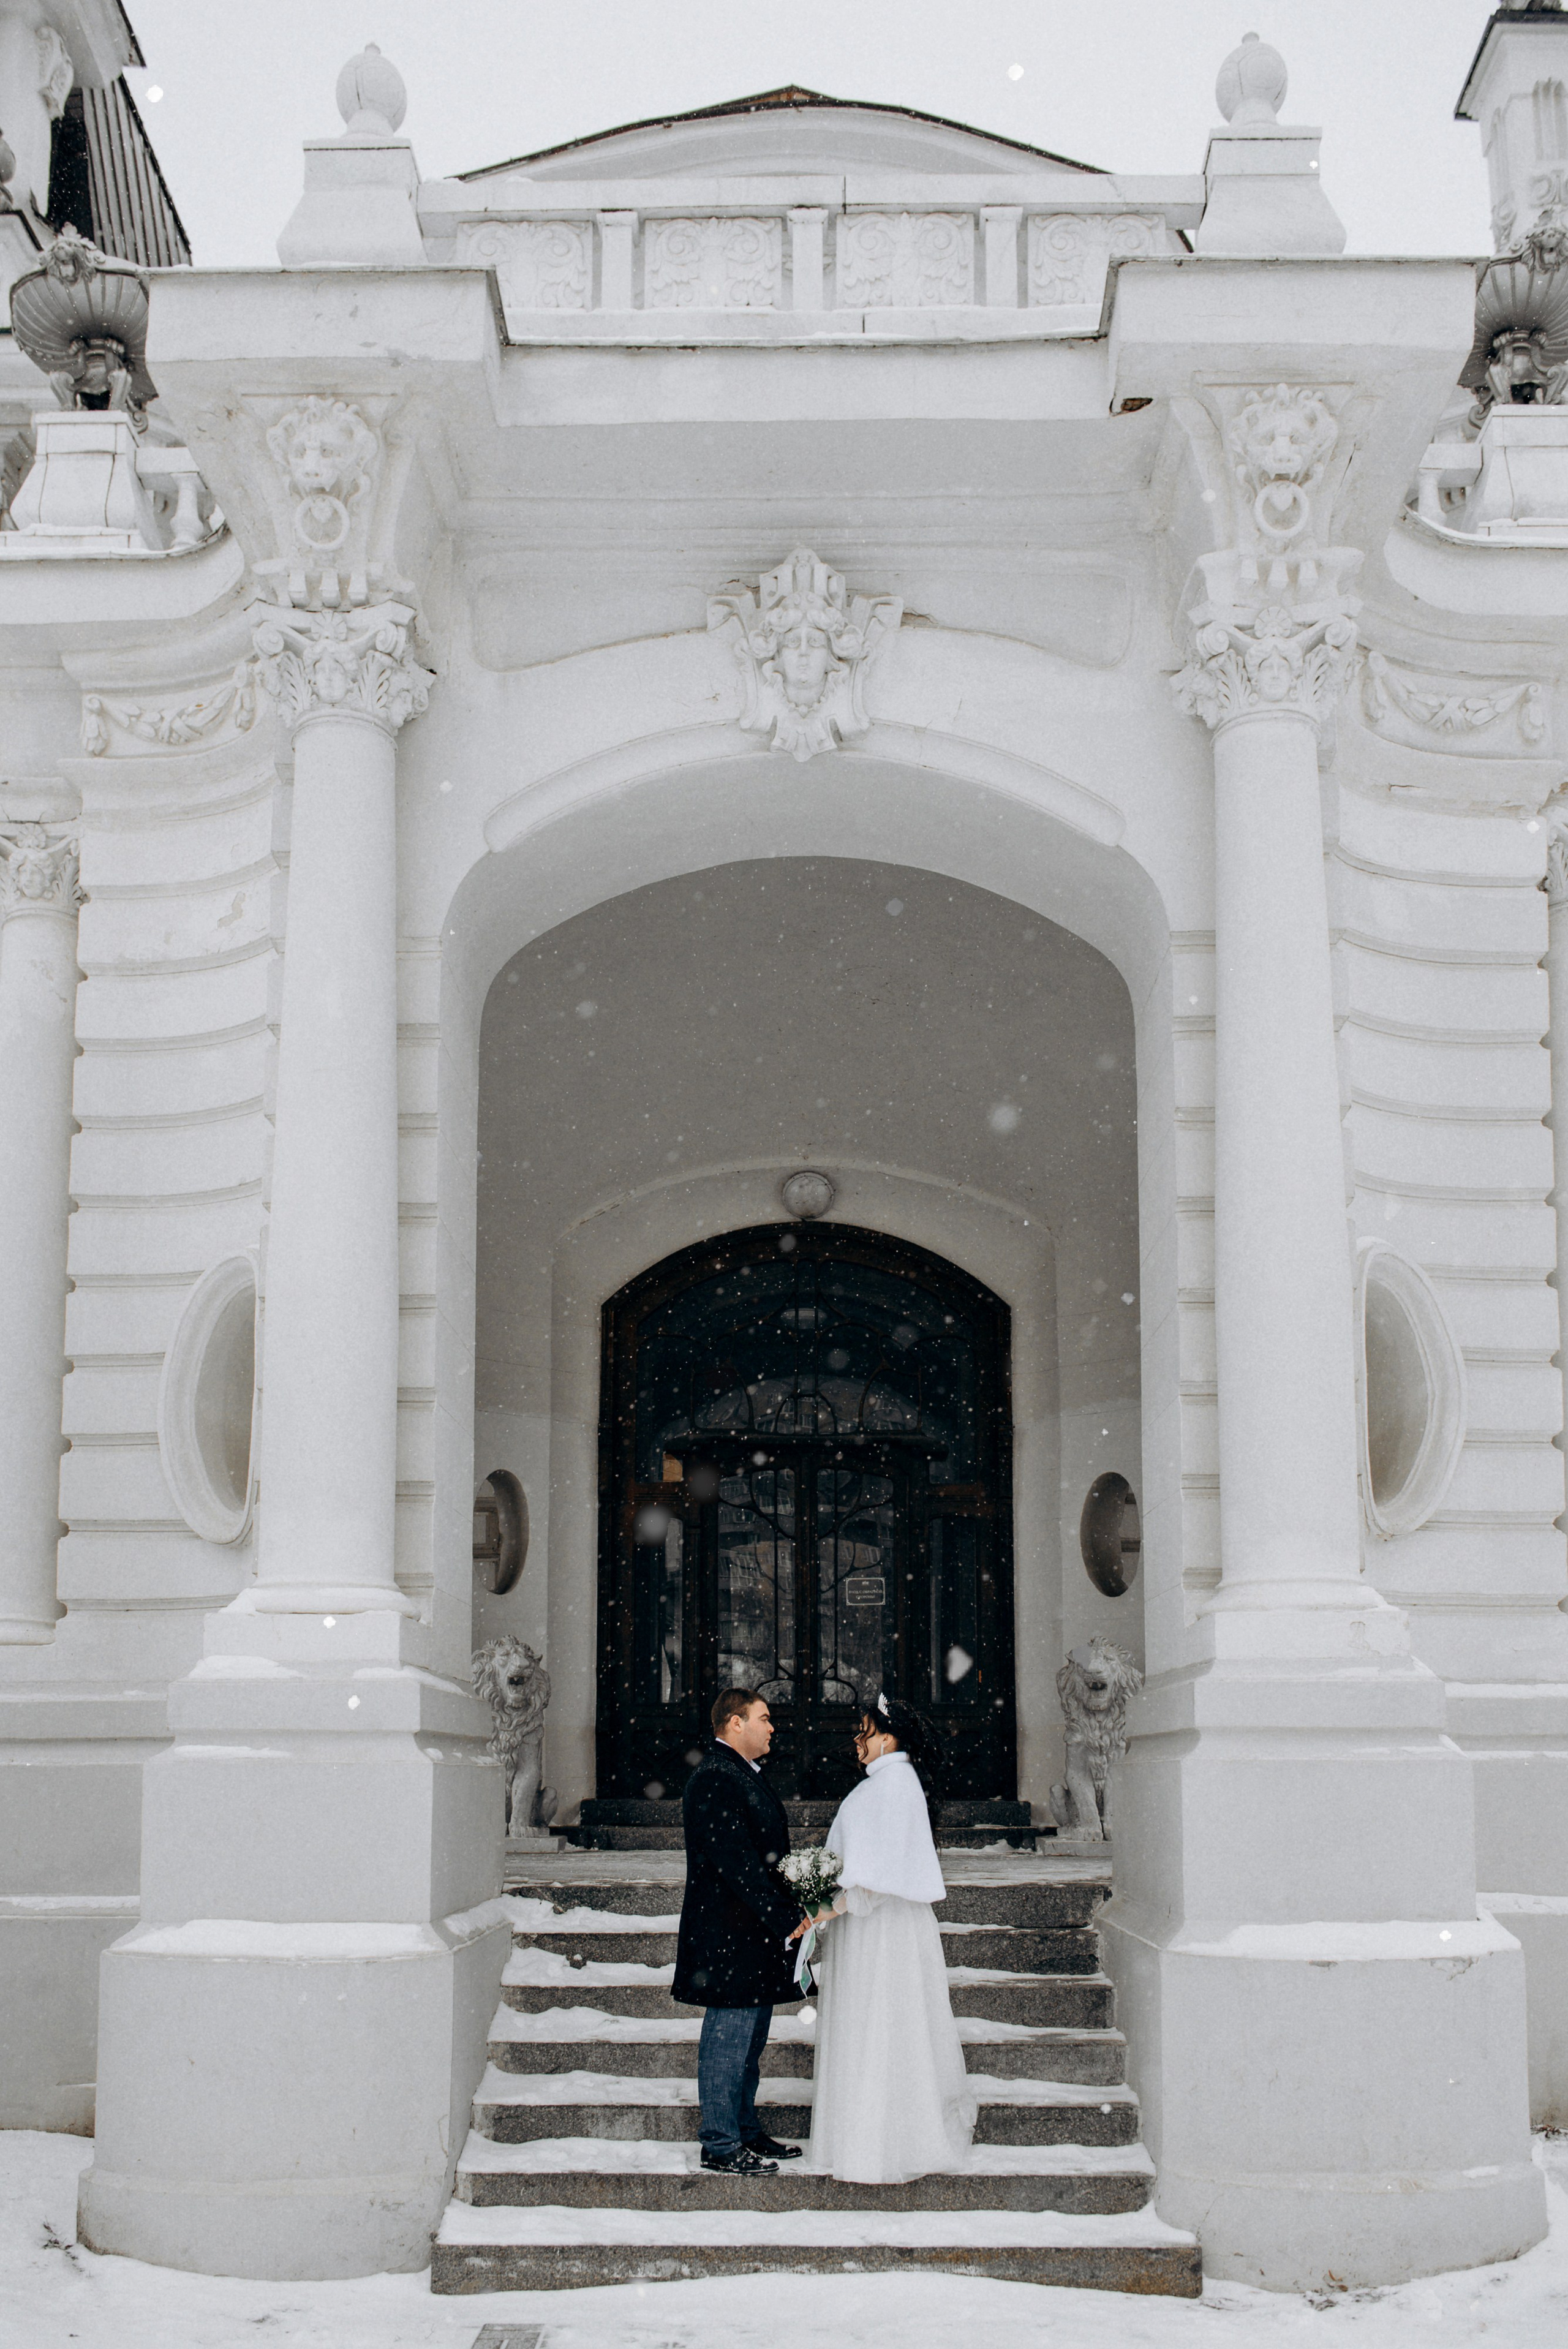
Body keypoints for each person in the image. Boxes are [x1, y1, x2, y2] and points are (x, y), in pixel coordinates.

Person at [796, 1692, 978, 2182]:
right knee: (880, 2023)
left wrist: (823, 1909)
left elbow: (878, 1879)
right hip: (873, 1926)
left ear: (890, 1737)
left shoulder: (894, 1785)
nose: (858, 1740)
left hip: (882, 1930)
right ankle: (874, 2137)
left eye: (866, 1731)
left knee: (881, 2023)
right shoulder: (886, 1783)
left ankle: (882, 2144)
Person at [673, 1686, 809, 2174]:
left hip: (752, 1935)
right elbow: (738, 1864)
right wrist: (785, 1915)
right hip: (727, 1936)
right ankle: (720, 2142)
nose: (772, 1727)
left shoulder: (741, 1772)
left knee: (749, 2043)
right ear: (735, 1722)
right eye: (764, 1718)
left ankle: (745, 2129)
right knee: (727, 2041)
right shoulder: (716, 1776)